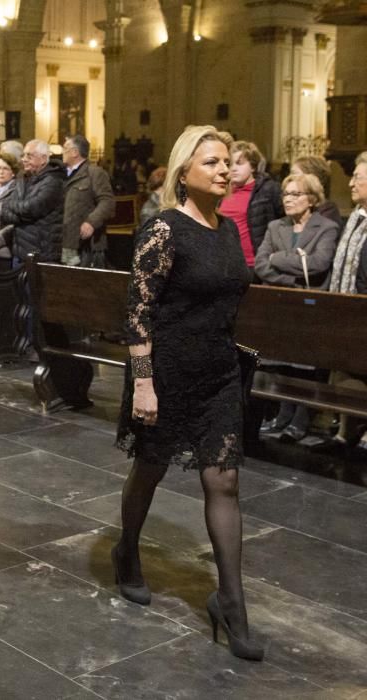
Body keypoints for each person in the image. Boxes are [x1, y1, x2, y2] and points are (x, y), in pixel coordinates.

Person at [114, 125, 263, 661]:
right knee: (150, 468)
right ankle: (126, 552)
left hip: (219, 373)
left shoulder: (227, 230)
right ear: (185, 172)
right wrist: (144, 382)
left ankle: (231, 600)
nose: (225, 169)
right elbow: (136, 310)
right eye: (213, 162)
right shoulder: (163, 229)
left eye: (228, 161)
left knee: (223, 480)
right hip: (168, 372)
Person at [253, 172, 338, 442]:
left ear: (311, 199)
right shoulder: (275, 226)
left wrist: (278, 259)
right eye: (286, 194)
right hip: (282, 302)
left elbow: (318, 264)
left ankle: (300, 419)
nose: (288, 199)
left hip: (309, 306)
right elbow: (261, 264)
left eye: (295, 194)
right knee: (281, 362)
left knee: (304, 364)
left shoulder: (326, 228)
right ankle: (282, 415)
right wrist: (292, 275)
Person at [328, 156, 367, 450]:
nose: (351, 182)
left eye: (357, 177)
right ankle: (346, 428)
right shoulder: (356, 218)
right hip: (350, 308)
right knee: (344, 369)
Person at [219, 140, 283, 271]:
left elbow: (283, 223)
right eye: (230, 164)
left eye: (240, 163)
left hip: (255, 264)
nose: (233, 168)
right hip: (226, 263)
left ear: (253, 166)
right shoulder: (221, 191)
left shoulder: (268, 189)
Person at [0, 138, 65, 263]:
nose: (24, 159)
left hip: (41, 253)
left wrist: (17, 210)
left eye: (29, 156)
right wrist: (23, 214)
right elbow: (4, 209)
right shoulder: (22, 178)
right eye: (23, 155)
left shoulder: (53, 181)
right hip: (19, 252)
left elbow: (31, 209)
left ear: (44, 159)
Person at [61, 134, 116, 267]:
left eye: (65, 148)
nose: (62, 152)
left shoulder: (94, 173)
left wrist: (91, 222)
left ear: (75, 152)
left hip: (87, 247)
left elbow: (107, 202)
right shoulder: (62, 175)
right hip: (66, 243)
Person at [290, 155, 342, 230]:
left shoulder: (328, 211)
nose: (289, 179)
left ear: (313, 178)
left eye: (294, 174)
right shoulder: (291, 204)